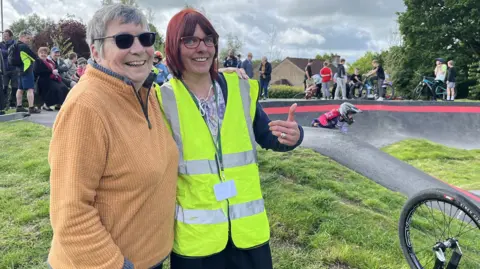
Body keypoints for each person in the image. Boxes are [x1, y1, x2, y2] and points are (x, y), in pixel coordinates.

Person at [160, 8, 304, 269]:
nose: (202, 48)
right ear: (173, 46)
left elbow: (267, 135)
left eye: (208, 39)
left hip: (248, 235)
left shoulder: (238, 88)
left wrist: (292, 136)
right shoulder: (163, 99)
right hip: (197, 242)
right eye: (190, 40)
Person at [47, 4, 179, 269]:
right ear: (95, 50)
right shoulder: (86, 107)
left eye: (145, 38)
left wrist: (215, 76)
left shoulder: (145, 92)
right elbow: (70, 214)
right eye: (123, 40)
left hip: (149, 259)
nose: (138, 48)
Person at [12, 31, 41, 114]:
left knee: (20, 89)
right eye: (27, 38)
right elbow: (34, 57)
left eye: (29, 39)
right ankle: (31, 108)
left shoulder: (15, 46)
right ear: (21, 37)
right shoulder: (24, 47)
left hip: (19, 70)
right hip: (27, 70)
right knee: (30, 89)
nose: (29, 40)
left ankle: (19, 106)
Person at [33, 47, 70, 111]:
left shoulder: (48, 61)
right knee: (56, 88)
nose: (43, 54)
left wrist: (54, 71)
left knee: (64, 87)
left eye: (45, 53)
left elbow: (57, 68)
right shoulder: (37, 61)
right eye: (42, 53)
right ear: (38, 54)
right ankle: (46, 104)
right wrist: (51, 71)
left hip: (51, 78)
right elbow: (37, 71)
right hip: (42, 79)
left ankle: (59, 104)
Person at [1, 29, 18, 109]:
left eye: (6, 36)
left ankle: (12, 104)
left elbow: (11, 53)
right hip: (4, 69)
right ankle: (3, 104)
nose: (4, 37)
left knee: (15, 87)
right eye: (3, 35)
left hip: (14, 68)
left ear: (10, 36)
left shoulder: (15, 44)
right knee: (4, 87)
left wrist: (2, 52)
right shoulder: (1, 44)